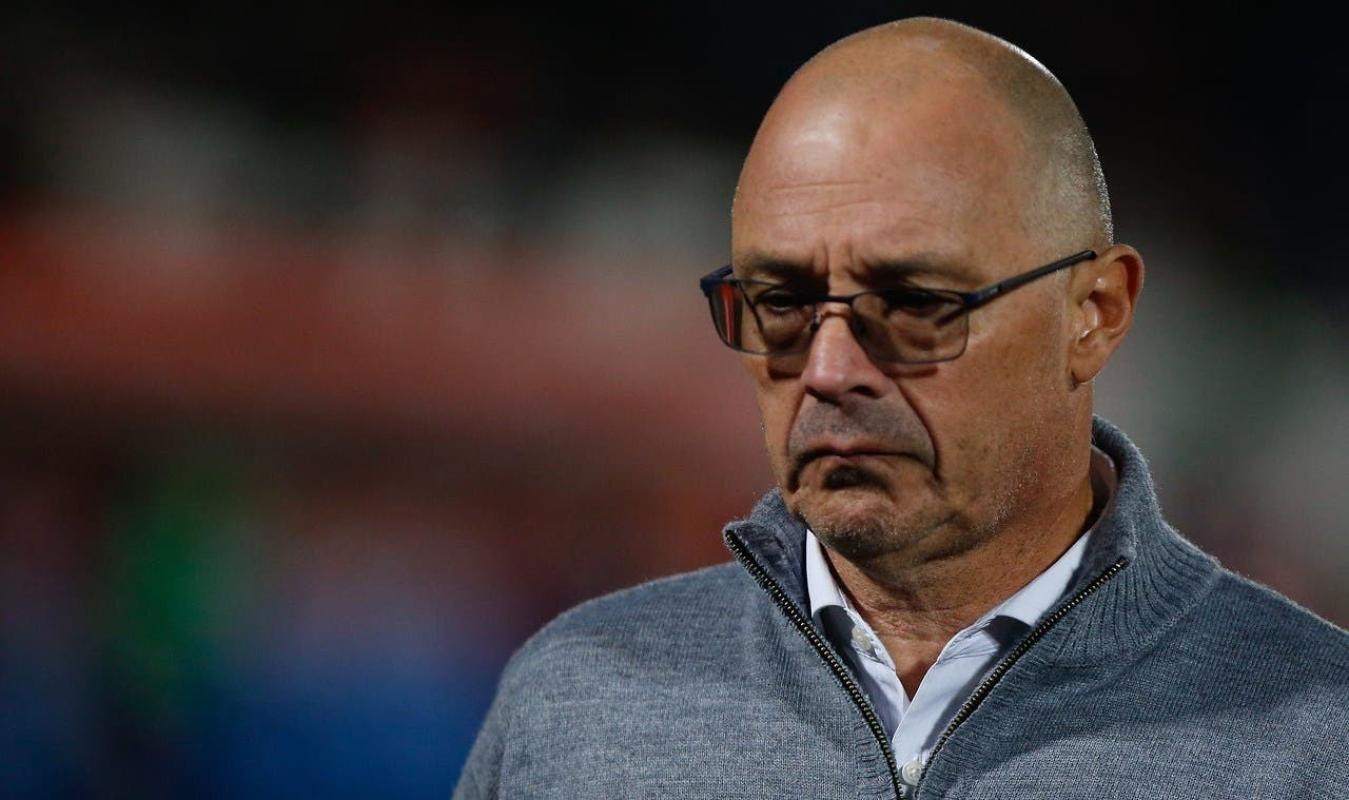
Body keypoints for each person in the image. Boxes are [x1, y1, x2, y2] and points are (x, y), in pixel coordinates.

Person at [454, 17, 1348, 799]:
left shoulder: (1316, 740)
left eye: (917, 303)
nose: (829, 370)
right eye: (781, 302)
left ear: (1094, 313)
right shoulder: (575, 702)